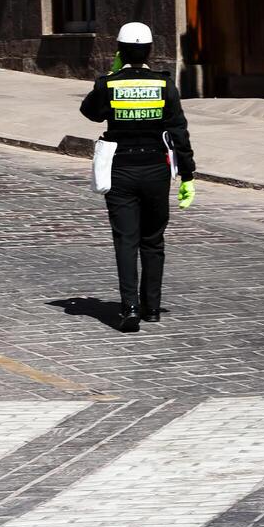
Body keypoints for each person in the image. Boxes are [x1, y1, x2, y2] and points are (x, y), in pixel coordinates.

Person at [80, 21, 196, 333]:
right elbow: (178, 132)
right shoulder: (163, 85)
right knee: (153, 240)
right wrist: (188, 174)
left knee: (126, 240)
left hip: (120, 170)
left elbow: (89, 111)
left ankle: (130, 307)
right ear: (149, 51)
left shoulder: (110, 84)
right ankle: (153, 308)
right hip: (156, 169)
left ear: (119, 51)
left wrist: (108, 76)